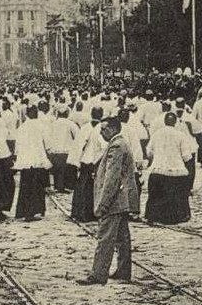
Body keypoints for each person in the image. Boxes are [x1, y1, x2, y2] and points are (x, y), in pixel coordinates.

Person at [77, 117, 139, 285]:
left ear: (112, 129)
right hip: (122, 199)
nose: (101, 132)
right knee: (122, 237)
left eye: (104, 129)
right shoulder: (120, 143)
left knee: (105, 238)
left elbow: (112, 178)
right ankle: (123, 271)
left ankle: (98, 274)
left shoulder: (116, 146)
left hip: (114, 201)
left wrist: (103, 204)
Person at [145, 113, 193, 224]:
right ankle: (177, 216)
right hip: (176, 171)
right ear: (175, 122)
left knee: (156, 195)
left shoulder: (157, 134)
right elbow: (186, 156)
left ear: (164, 121)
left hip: (158, 170)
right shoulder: (181, 135)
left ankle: (155, 216)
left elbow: (149, 152)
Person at [13, 106, 52, 221]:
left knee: (25, 186)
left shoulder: (22, 127)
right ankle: (35, 210)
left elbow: (17, 145)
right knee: (37, 186)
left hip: (25, 161)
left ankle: (24, 211)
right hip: (37, 160)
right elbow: (48, 143)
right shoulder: (41, 126)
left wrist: (18, 157)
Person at [68, 106, 106, 222]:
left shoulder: (85, 128)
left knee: (83, 186)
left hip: (86, 160)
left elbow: (78, 145)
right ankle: (90, 213)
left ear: (91, 114)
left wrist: (76, 161)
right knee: (94, 187)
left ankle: (79, 212)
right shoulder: (102, 128)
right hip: (96, 161)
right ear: (101, 115)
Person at [46, 106, 79, 193]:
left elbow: (47, 137)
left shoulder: (52, 124)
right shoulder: (71, 124)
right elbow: (78, 136)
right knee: (67, 172)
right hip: (67, 152)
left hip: (55, 152)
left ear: (58, 114)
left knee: (58, 172)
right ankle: (67, 187)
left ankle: (58, 186)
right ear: (67, 114)